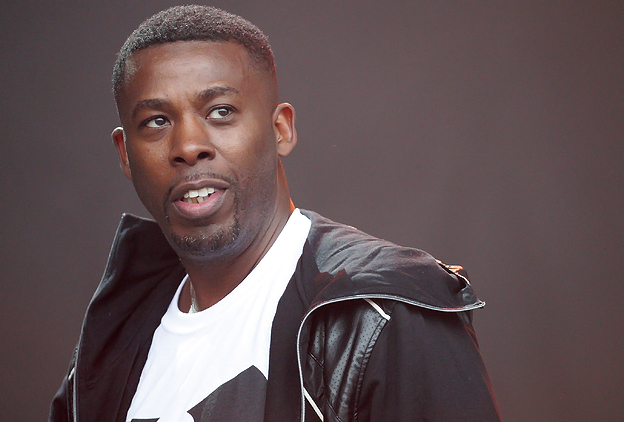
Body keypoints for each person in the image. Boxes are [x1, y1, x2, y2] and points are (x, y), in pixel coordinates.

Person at [49, 5, 501, 422]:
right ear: (125, 155)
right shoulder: (108, 345)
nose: (188, 146)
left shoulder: (387, 313)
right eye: (156, 122)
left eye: (220, 112)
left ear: (281, 129)